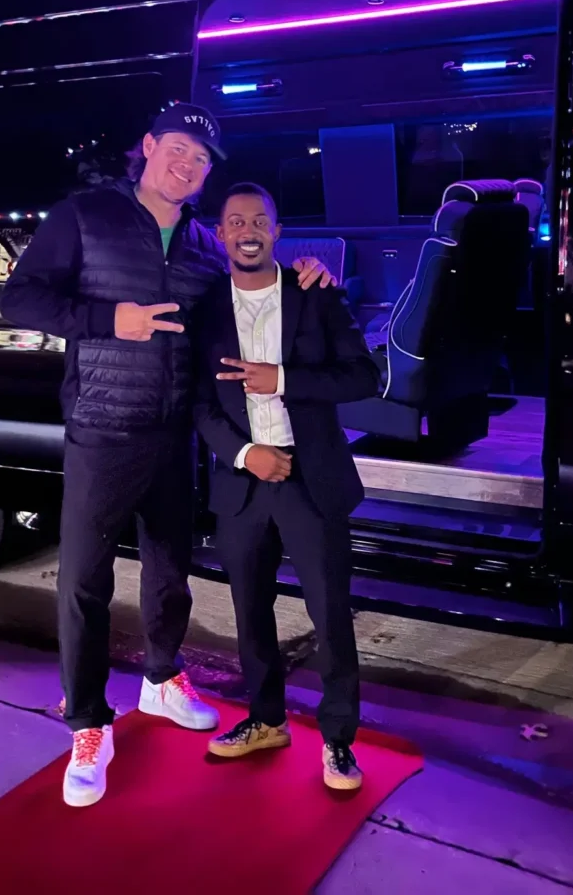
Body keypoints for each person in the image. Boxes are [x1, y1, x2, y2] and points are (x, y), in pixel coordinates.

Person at [0, 105, 334, 807]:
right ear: (148, 146)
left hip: (174, 431)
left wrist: (304, 273)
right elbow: (19, 297)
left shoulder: (206, 247)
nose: (187, 165)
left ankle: (161, 676)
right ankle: (88, 722)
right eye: (177, 148)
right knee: (85, 582)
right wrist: (103, 320)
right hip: (102, 427)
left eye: (201, 158)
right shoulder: (86, 215)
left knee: (169, 567)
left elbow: (247, 293)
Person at [192, 182, 380, 790]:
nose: (247, 230)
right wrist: (247, 454)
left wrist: (282, 379)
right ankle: (266, 720)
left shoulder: (315, 293)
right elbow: (198, 402)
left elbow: (363, 376)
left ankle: (337, 741)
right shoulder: (205, 310)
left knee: (329, 615)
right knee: (250, 614)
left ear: (276, 230)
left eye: (260, 220)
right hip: (244, 482)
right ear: (220, 234)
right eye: (235, 221)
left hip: (311, 478)